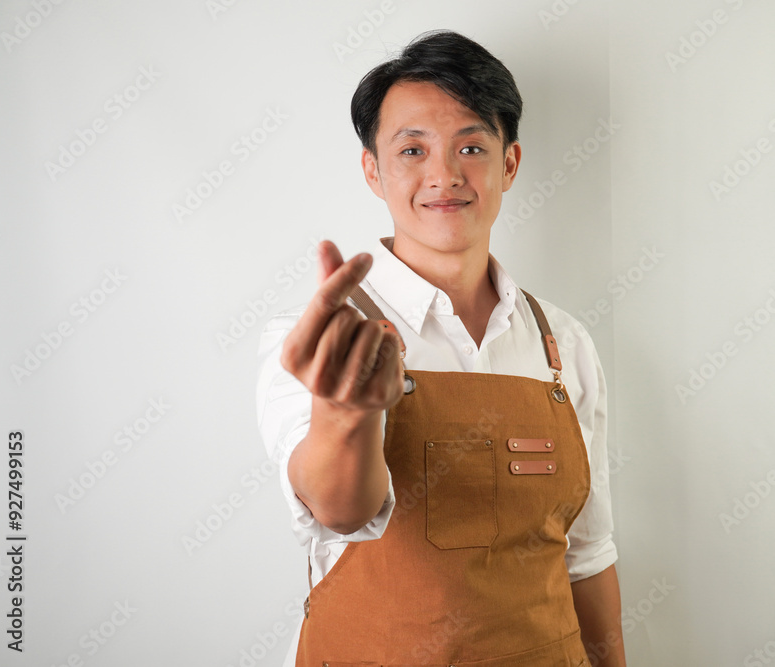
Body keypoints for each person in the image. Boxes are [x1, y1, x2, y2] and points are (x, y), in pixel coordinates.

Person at [256, 30, 625, 666]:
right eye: (412, 150)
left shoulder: (563, 342)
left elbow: (588, 556)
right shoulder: (320, 341)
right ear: (373, 170)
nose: (445, 176)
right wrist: (345, 412)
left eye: (471, 147)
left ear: (509, 164)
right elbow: (340, 511)